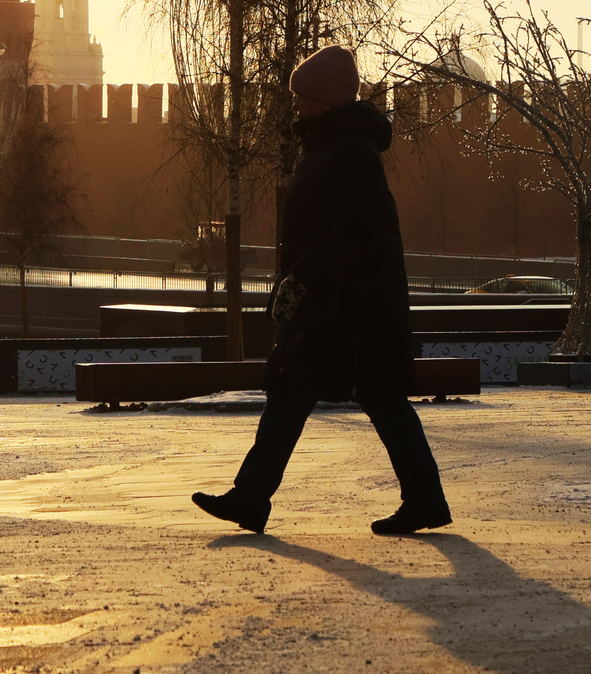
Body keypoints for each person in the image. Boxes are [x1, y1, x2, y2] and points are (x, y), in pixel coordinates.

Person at [191, 45, 451, 537]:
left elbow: (347, 235)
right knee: (296, 394)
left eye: (302, 96)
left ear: (325, 101)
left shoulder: (348, 153)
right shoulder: (334, 148)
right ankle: (252, 497)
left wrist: (301, 283)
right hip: (339, 304)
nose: (294, 105)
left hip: (349, 311)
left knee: (376, 398)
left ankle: (424, 499)